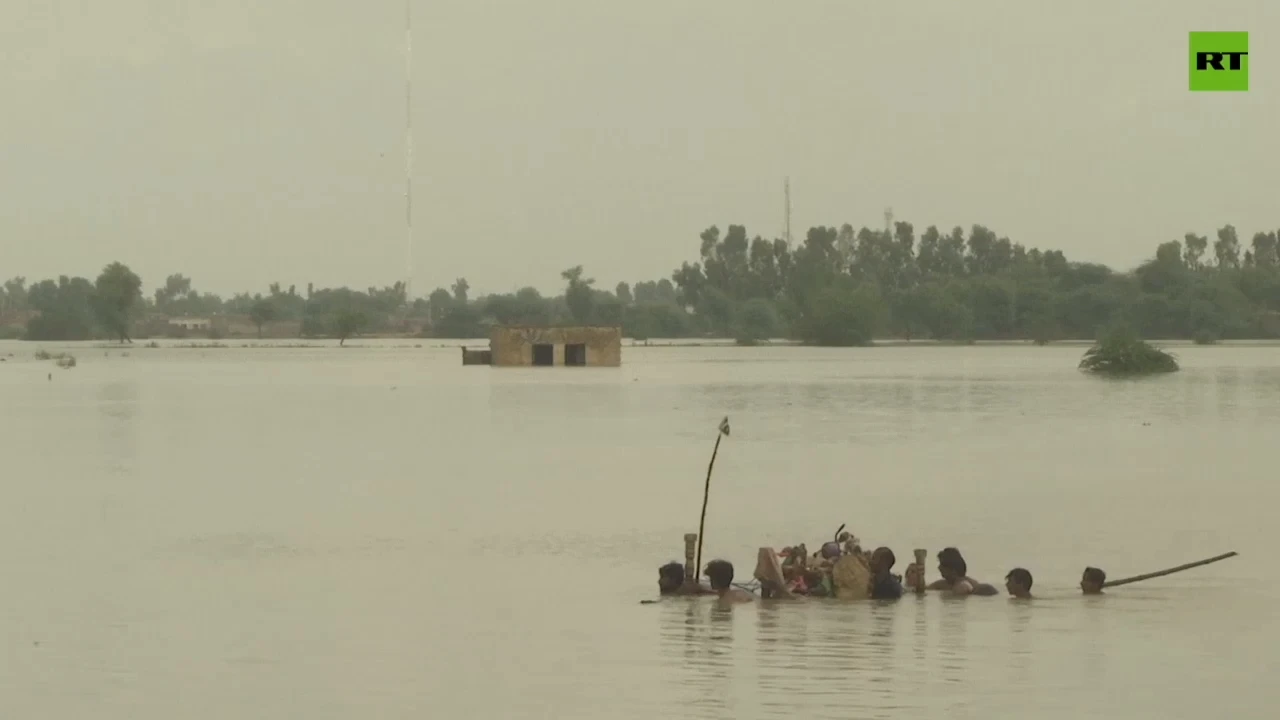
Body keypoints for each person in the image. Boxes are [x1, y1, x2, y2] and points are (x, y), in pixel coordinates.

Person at [927, 547, 999, 596]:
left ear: (952, 569)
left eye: (942, 564)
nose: (939, 567)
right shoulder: (944, 584)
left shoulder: (963, 585)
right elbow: (923, 590)